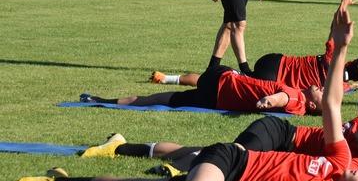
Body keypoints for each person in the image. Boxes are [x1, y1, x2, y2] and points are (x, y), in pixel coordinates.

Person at [16, 0, 358, 181]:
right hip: (238, 159)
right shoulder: (341, 156)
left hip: (228, 180)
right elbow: (333, 102)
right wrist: (347, 46)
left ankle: (59, 180)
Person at [82, 18, 358, 174]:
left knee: (201, 150)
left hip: (276, 142)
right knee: (226, 156)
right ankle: (177, 171)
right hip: (282, 135)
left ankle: (123, 147)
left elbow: (347, 178)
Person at [150, 0, 358, 90]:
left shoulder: (331, 59)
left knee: (230, 76)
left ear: (349, 62)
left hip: (275, 61)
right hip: (271, 78)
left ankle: (169, 78)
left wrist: (343, 5)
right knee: (220, 82)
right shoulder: (338, 87)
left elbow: (334, 26)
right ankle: (168, 78)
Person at [82, 65, 323, 116]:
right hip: (217, 99)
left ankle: (104, 99)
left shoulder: (296, 98)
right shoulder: (301, 101)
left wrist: (267, 102)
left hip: (223, 82)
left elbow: (280, 98)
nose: (321, 88)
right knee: (161, 100)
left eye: (322, 94)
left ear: (312, 104)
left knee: (207, 72)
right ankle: (103, 100)